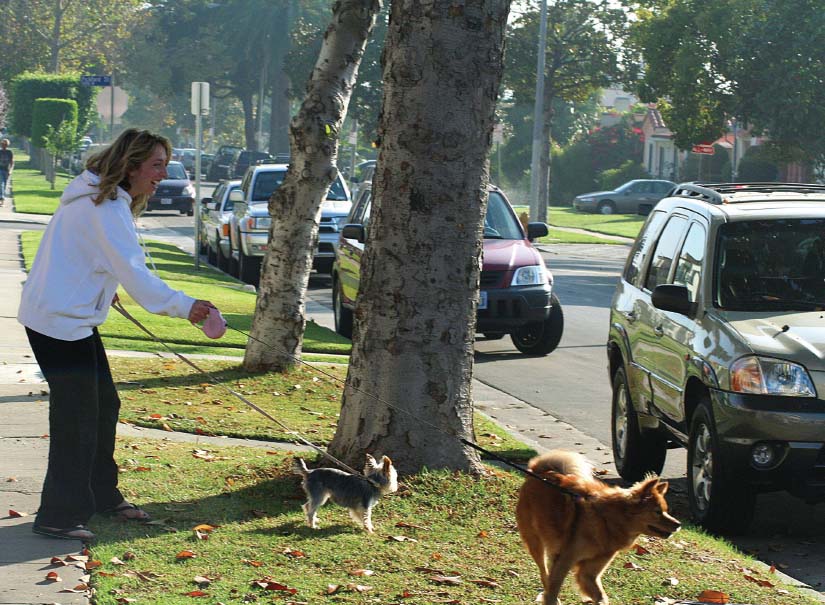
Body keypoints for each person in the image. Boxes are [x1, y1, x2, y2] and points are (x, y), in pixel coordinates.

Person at [17, 129, 217, 541]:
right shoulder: (104, 208)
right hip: (59, 323)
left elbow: (83, 257)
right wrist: (188, 307)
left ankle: (101, 495)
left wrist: (99, 290)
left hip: (66, 317)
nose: (162, 173)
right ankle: (58, 516)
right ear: (131, 166)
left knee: (104, 404)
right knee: (78, 420)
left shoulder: (98, 199)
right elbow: (140, 279)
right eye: (156, 165)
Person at [0, 138, 13, 204]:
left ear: (7, 145)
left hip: (6, 170)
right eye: (2, 144)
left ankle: (2, 199)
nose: (3, 145)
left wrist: (10, 170)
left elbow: (12, 162)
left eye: (4, 144)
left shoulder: (9, 152)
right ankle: (1, 198)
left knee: (4, 185)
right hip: (0, 169)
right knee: (1, 184)